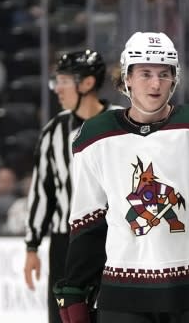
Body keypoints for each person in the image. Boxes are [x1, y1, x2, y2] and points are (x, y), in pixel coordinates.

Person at [53, 32, 189, 323]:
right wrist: (76, 286)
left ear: (174, 78)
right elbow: (89, 223)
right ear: (126, 78)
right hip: (124, 300)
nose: (156, 84)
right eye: (145, 73)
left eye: (164, 74)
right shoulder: (95, 137)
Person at [23, 49, 119, 323]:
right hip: (65, 243)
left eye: (64, 81)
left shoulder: (119, 123)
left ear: (87, 83)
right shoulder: (53, 130)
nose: (57, 89)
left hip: (112, 239)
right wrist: (32, 247)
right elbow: (44, 192)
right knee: (63, 316)